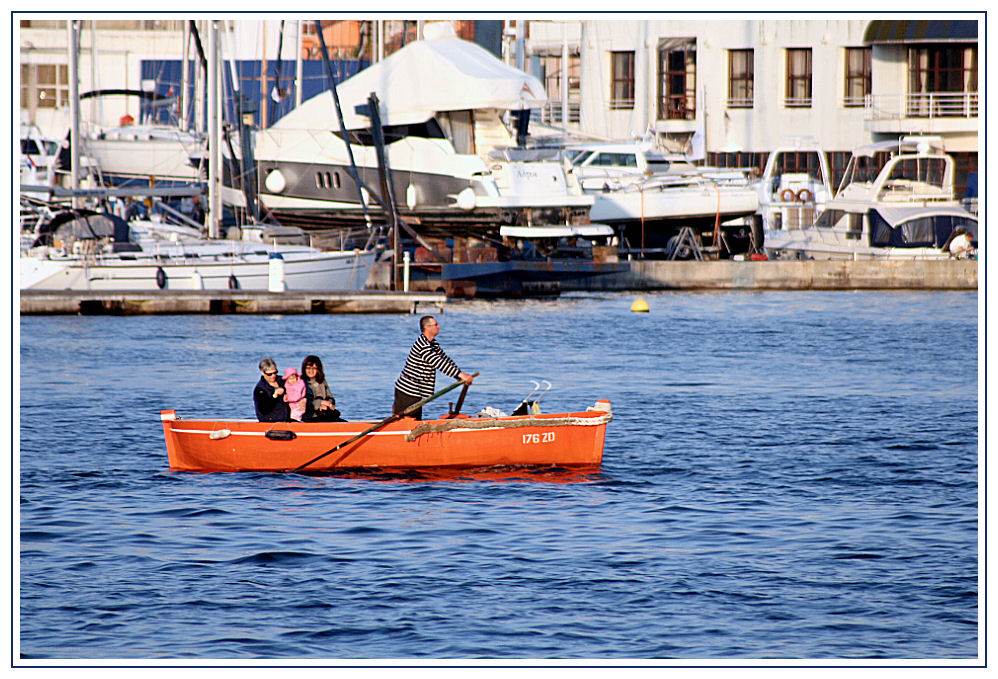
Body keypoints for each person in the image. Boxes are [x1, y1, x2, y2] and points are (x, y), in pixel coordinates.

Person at [393, 315, 474, 420]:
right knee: (405, 422)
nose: (439, 326)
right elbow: (438, 362)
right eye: (436, 325)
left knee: (415, 421)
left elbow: (445, 359)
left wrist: (459, 376)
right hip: (407, 391)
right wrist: (461, 375)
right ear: (427, 327)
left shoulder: (433, 344)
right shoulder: (422, 345)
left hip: (417, 391)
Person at [301, 355, 344, 422]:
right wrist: (320, 403)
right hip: (310, 415)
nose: (311, 371)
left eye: (314, 368)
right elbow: (304, 402)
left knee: (342, 421)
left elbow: (330, 396)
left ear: (318, 369)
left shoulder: (321, 381)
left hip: (325, 413)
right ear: (304, 369)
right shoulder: (301, 382)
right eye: (308, 368)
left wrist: (329, 403)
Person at [253, 357, 290, 422]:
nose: (273, 376)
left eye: (275, 372)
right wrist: (275, 395)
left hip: (286, 419)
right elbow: (263, 410)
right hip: (270, 422)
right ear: (262, 372)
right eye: (269, 374)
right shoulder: (260, 389)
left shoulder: (282, 380)